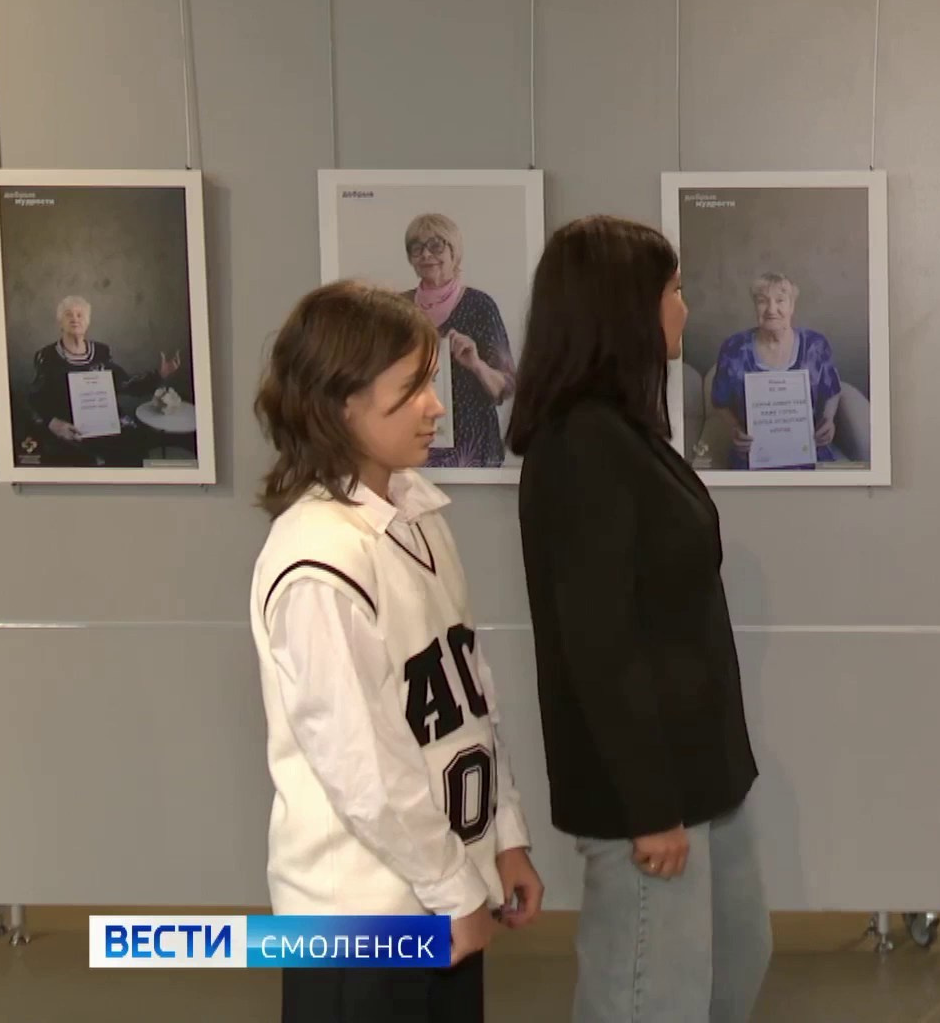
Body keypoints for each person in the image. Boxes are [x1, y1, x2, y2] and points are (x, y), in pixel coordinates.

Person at [249, 281, 544, 1023]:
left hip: (442, 895)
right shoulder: (317, 558)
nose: (436, 406)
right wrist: (452, 890)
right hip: (365, 926)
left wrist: (503, 837)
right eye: (411, 389)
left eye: (432, 383)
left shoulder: (416, 517)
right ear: (340, 402)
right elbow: (365, 769)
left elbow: (470, 699)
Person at [507, 216, 770, 1023]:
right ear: (625, 309)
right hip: (649, 794)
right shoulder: (580, 448)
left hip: (701, 772)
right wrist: (651, 809)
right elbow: (601, 645)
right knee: (650, 997)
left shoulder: (626, 432)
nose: (685, 307)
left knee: (733, 966)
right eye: (673, 290)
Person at [403, 213, 517, 469]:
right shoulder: (397, 308)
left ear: (454, 252)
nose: (426, 254)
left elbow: (506, 386)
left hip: (472, 448)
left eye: (436, 245)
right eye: (417, 247)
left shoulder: (480, 306)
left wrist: (476, 364)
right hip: (415, 443)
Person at [22, 294, 182, 466]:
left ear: (87, 322)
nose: (75, 318)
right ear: (60, 322)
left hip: (105, 421)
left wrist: (159, 374)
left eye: (80, 314)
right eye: (68, 314)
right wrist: (53, 423)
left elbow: (125, 384)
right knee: (83, 460)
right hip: (70, 427)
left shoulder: (101, 352)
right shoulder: (47, 356)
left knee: (134, 445)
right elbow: (34, 399)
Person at [708, 273, 843, 469]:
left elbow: (833, 390)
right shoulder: (733, 348)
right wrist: (734, 428)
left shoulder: (815, 345)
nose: (771, 309)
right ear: (755, 306)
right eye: (762, 301)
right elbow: (720, 401)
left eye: (780, 300)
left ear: (792, 306)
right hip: (752, 456)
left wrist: (829, 420)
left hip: (809, 451)